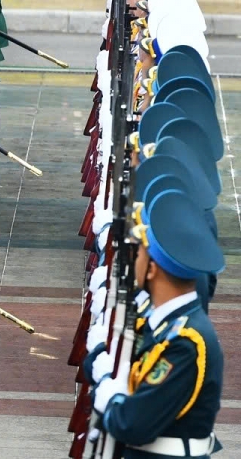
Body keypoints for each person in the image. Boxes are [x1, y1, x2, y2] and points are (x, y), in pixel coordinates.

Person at [90, 189, 224, 458]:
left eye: (139, 252)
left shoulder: (187, 342)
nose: (133, 258)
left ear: (152, 269)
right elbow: (98, 356)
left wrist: (107, 387)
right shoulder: (166, 323)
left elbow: (132, 423)